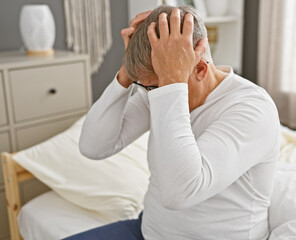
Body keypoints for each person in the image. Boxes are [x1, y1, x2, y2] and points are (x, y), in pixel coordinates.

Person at [64, 4, 280, 240]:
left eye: (157, 86)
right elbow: (93, 147)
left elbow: (180, 193)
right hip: (147, 231)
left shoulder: (252, 108)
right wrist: (128, 72)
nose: (150, 95)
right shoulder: (155, 89)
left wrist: (170, 82)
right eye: (146, 87)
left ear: (199, 69)